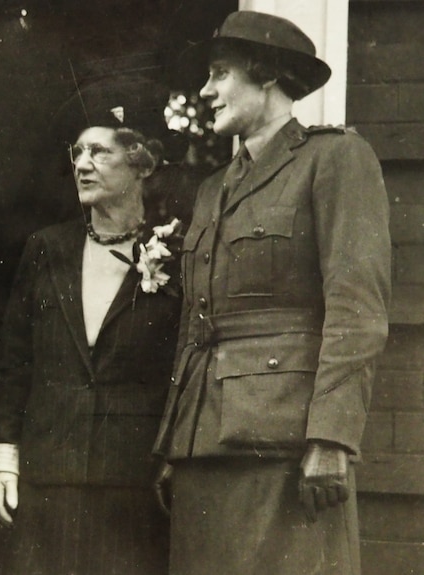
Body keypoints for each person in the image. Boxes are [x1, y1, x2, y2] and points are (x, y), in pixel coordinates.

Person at [152, 11, 391, 575]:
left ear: (266, 75)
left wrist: (331, 439)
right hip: (204, 446)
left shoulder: (334, 159)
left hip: (286, 448)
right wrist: (172, 441)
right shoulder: (213, 189)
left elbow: (357, 310)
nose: (205, 92)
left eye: (219, 74)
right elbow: (198, 325)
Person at [0, 78, 185, 575]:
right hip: (47, 471)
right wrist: (3, 457)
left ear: (141, 163)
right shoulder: (46, 248)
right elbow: (14, 361)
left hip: (135, 481)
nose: (80, 164)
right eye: (77, 153)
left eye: (98, 152)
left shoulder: (179, 253)